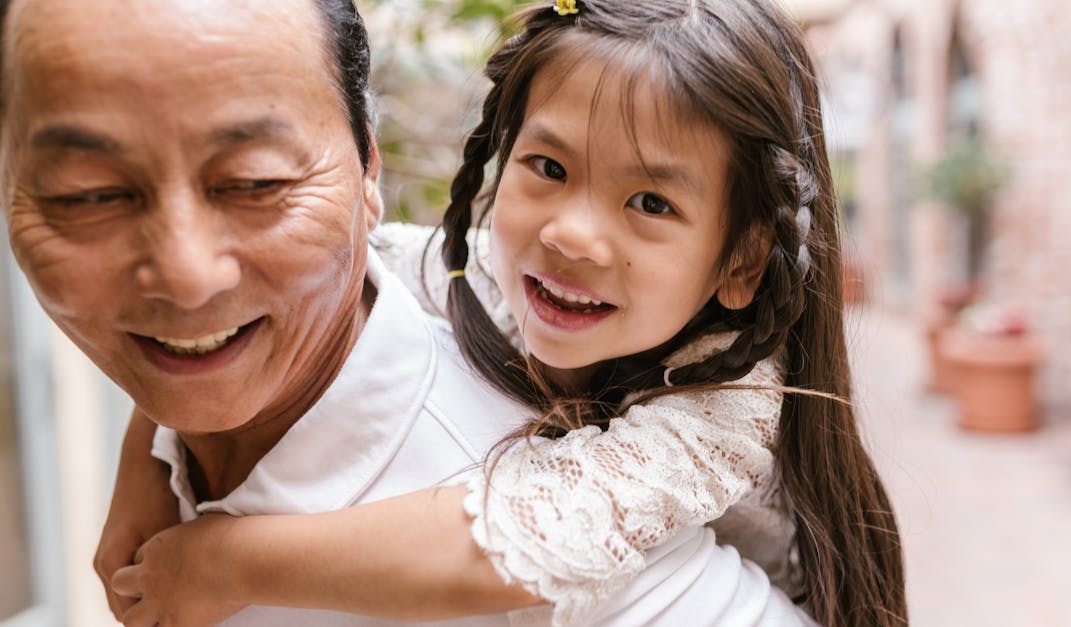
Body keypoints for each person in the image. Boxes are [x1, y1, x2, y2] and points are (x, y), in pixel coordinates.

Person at [0, 0, 818, 625]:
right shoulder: (468, 278)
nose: (570, 232)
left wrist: (227, 560)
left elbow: (513, 538)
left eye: (253, 182)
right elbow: (213, 314)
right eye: (547, 166)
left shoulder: (720, 408)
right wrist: (146, 456)